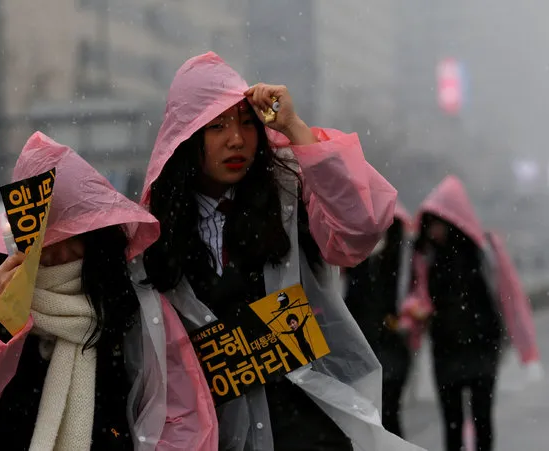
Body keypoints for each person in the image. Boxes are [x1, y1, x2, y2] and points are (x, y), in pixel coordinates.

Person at [140, 51, 423, 451]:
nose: (236, 139)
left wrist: (295, 127)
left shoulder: (290, 200)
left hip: (308, 425)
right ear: (187, 138)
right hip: (212, 435)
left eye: (245, 123)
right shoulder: (152, 235)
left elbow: (361, 227)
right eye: (217, 126)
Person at [0, 132, 217, 451]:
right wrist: (2, 316)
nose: (58, 254)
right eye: (47, 240)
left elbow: (179, 417)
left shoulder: (133, 303)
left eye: (72, 236)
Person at [399, 175, 541, 451]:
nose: (432, 231)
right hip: (447, 348)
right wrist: (415, 313)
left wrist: (526, 347)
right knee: (451, 422)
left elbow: (510, 297)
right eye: (429, 224)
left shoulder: (485, 249)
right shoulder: (427, 256)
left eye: (437, 223)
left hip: (482, 346)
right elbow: (418, 295)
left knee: (482, 418)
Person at [343, 202, 413, 437]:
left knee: (388, 413)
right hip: (363, 346)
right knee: (372, 418)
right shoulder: (357, 262)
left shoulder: (401, 261)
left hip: (389, 347)